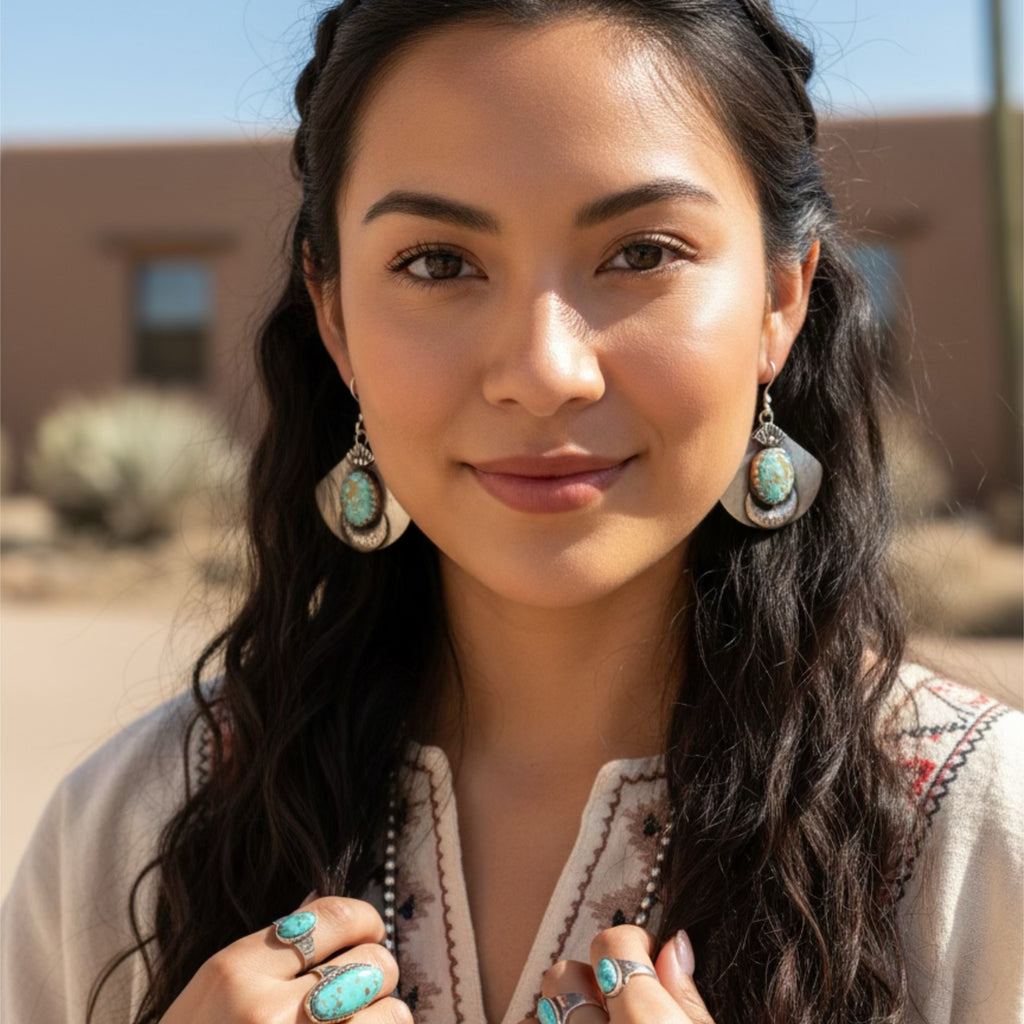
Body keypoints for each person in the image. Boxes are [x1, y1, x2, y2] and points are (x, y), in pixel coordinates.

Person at [3, 1, 1021, 1022]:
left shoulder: (982, 843)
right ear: (336, 317)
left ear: (779, 298)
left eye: (642, 252)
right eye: (438, 262)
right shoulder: (130, 825)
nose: (544, 372)